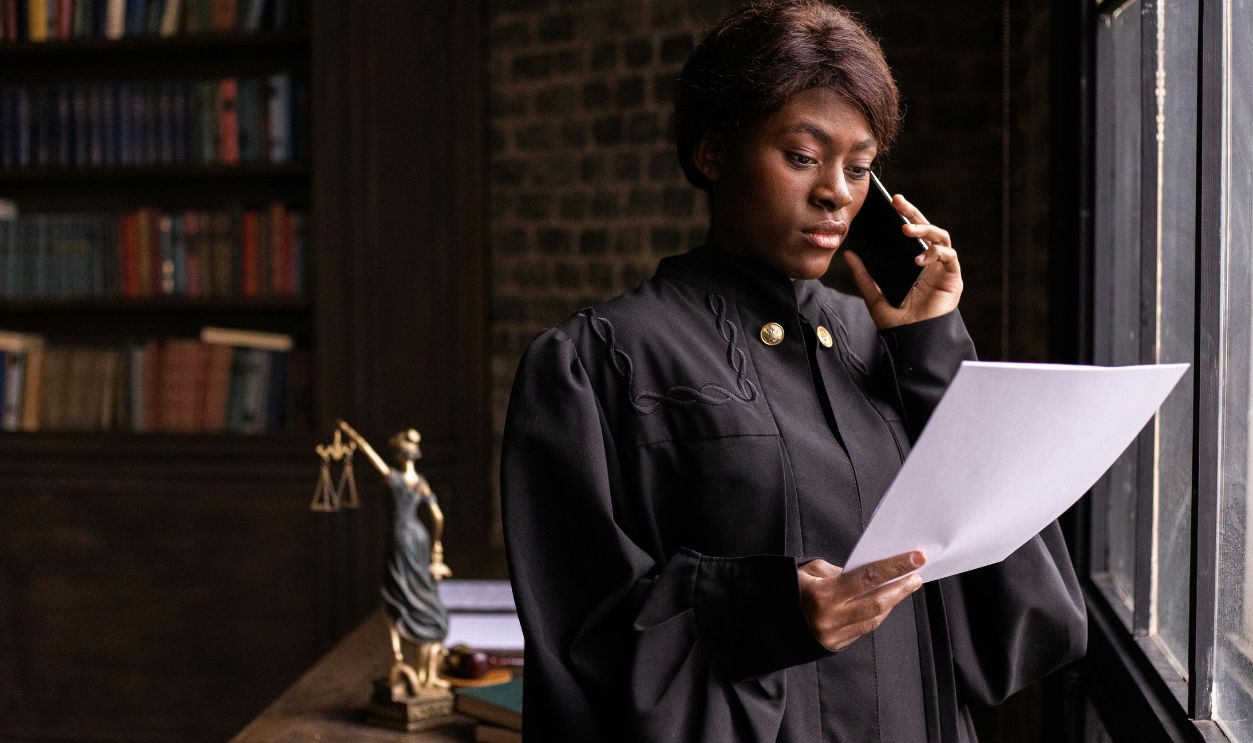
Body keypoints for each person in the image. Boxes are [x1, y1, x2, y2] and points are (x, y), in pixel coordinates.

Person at [501, 2, 1086, 741]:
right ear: (712, 155)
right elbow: (578, 642)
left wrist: (933, 347)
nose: (834, 192)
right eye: (802, 156)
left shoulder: (886, 348)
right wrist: (764, 611)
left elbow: (1024, 611)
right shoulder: (594, 364)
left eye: (858, 167)